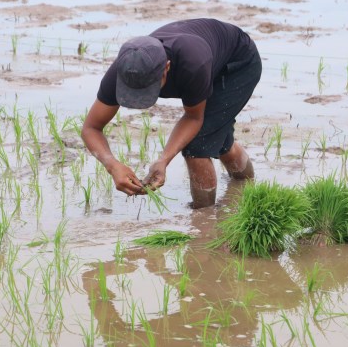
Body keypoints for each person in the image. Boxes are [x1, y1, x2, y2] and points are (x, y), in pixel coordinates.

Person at [81, 18, 262, 208]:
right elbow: (91, 128)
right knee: (219, 139)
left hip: (237, 63)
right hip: (210, 56)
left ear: (166, 68)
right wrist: (112, 165)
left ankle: (204, 223)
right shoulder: (125, 69)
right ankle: (245, 191)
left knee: (198, 145)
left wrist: (163, 160)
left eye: (148, 89)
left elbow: (194, 117)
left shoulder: (192, 63)